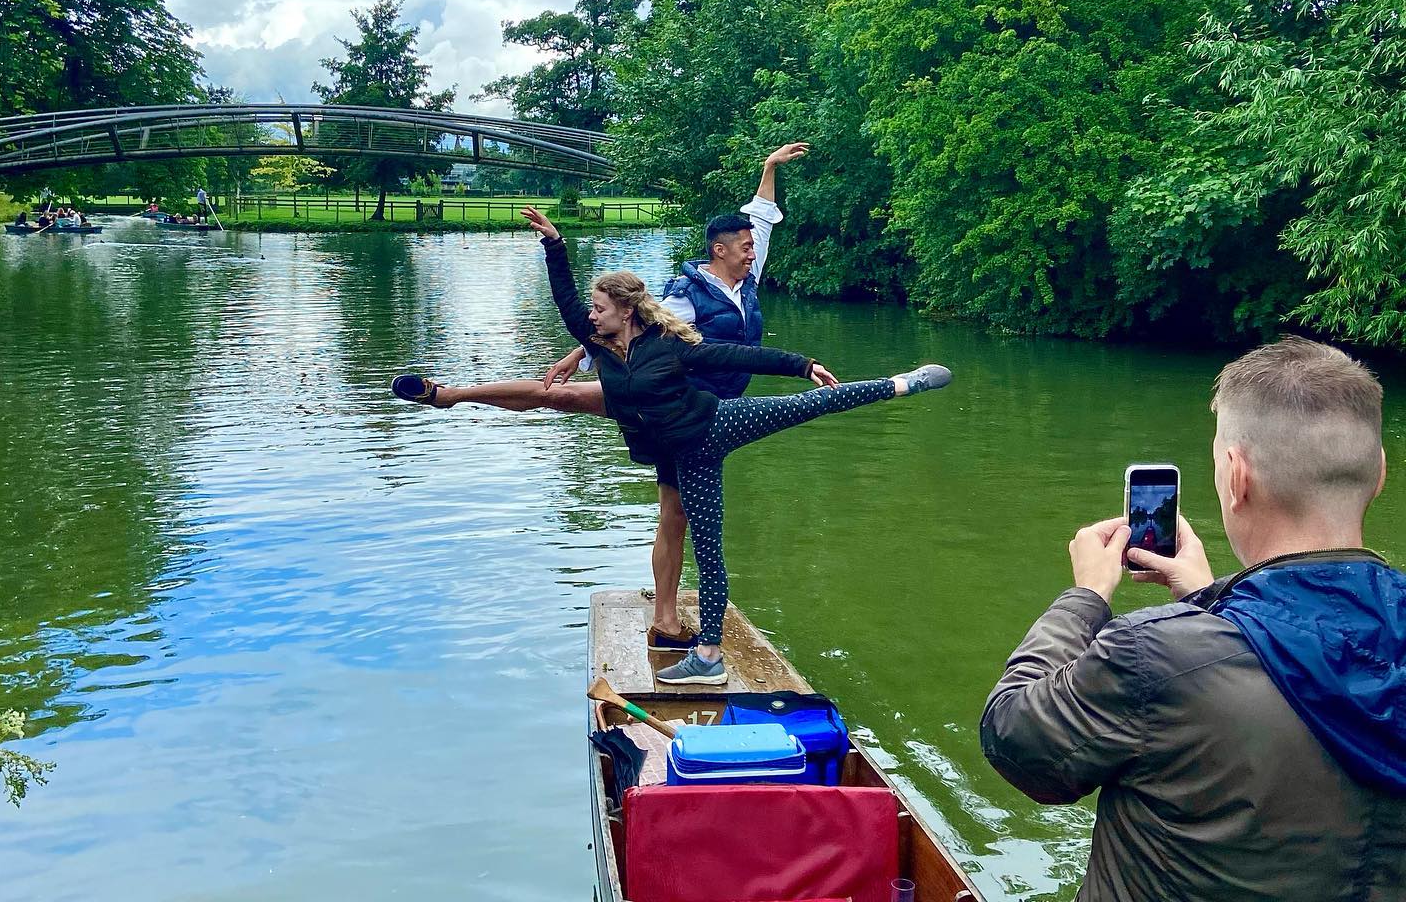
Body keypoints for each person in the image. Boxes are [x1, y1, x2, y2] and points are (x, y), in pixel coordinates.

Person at [391, 204, 953, 685]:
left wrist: (803, 364)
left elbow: (738, 357)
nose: (590, 316)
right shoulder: (601, 345)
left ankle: (903, 383)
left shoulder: (671, 346)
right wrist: (555, 245)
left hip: (714, 429)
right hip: (682, 453)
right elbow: (565, 298)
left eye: (600, 309)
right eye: (592, 311)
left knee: (805, 412)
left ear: (626, 312)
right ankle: (708, 653)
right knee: (700, 542)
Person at [980, 336, 1405, 902]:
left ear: (1235, 477)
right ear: (1377, 474)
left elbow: (1013, 736)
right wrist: (1209, 598)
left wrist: (1085, 597)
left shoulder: (1149, 658)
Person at [402, 142, 808, 651]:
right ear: (718, 250)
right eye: (743, 245)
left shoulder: (746, 281)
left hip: (706, 414)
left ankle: (454, 394)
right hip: (670, 404)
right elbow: (632, 322)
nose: (752, 249)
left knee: (655, 492)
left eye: (753, 245)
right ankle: (452, 394)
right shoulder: (685, 296)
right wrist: (585, 349)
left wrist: (769, 168)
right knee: (647, 486)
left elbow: (760, 222)